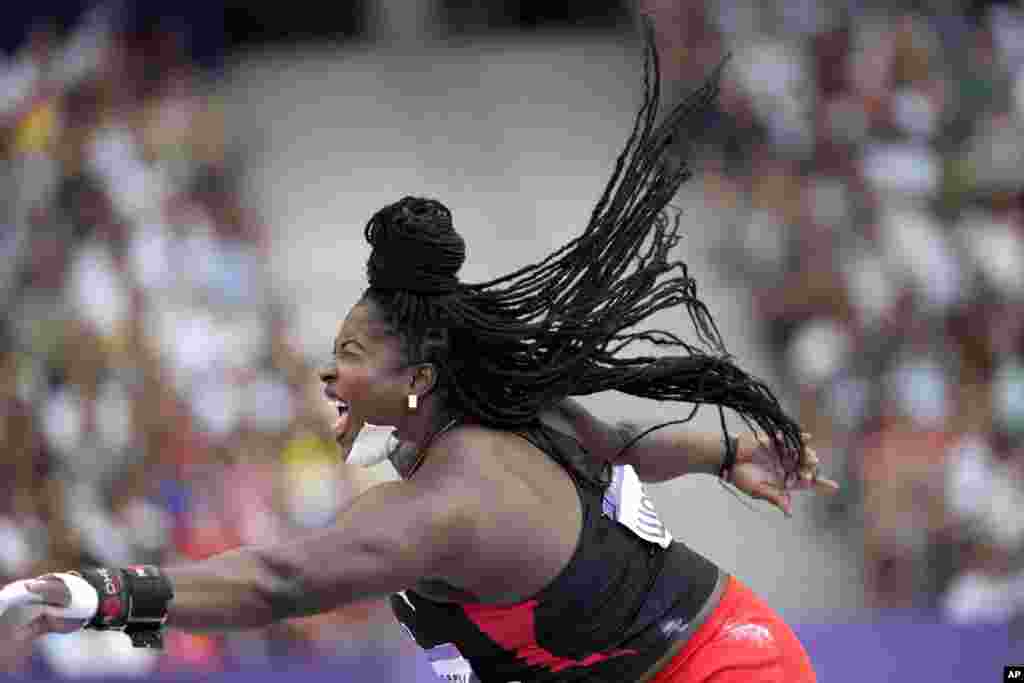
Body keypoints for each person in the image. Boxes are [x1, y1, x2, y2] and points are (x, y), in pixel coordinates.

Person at [0, 20, 838, 683]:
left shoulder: (442, 506)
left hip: (721, 667)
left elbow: (278, 582)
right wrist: (726, 450)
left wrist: (93, 593)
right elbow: (623, 447)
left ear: (420, 380)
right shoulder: (514, 419)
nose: (329, 374)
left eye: (353, 354)